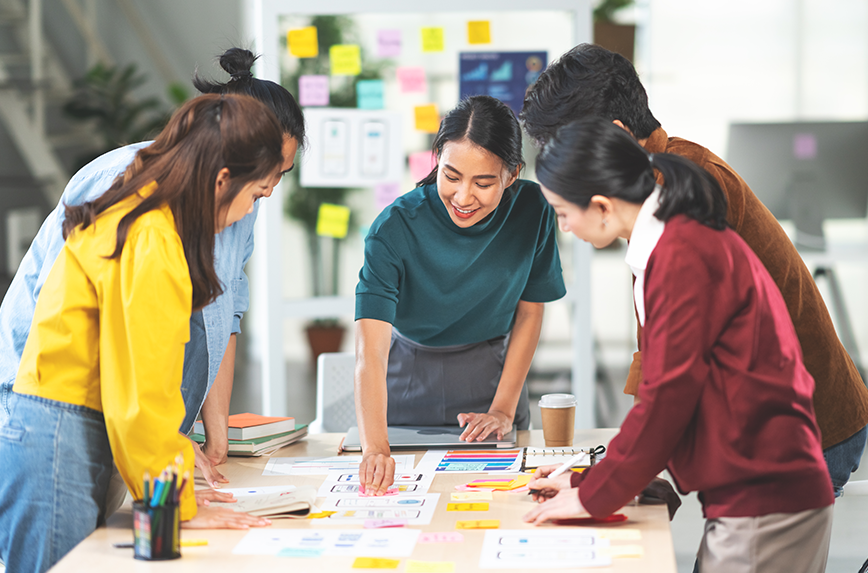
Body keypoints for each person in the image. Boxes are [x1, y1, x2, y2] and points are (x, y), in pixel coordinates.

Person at [519, 43, 868, 496]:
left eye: (566, 149)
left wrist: (609, 480)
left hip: (797, 429)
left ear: (615, 136)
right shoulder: (657, 183)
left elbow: (677, 375)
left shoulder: (681, 194)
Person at [524, 118, 835, 573]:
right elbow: (668, 392)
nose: (565, 228)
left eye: (562, 212)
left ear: (602, 206)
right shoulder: (671, 240)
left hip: (764, 498)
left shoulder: (680, 253)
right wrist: (588, 479)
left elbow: (669, 396)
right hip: (755, 491)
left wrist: (591, 496)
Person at [0, 94, 282, 573]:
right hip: (58, 431)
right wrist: (182, 509)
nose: (249, 213)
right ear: (221, 181)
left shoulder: (143, 211)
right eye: (256, 195)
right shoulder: (154, 240)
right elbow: (142, 397)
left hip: (63, 425)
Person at [354, 95, 566, 494]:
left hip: (492, 380)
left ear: (512, 174)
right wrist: (375, 447)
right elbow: (371, 351)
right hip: (402, 384)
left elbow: (530, 313)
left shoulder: (534, 210)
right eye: (451, 176)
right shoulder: (394, 227)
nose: (464, 197)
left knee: (501, 509)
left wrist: (503, 409)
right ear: (436, 159)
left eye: (483, 183)